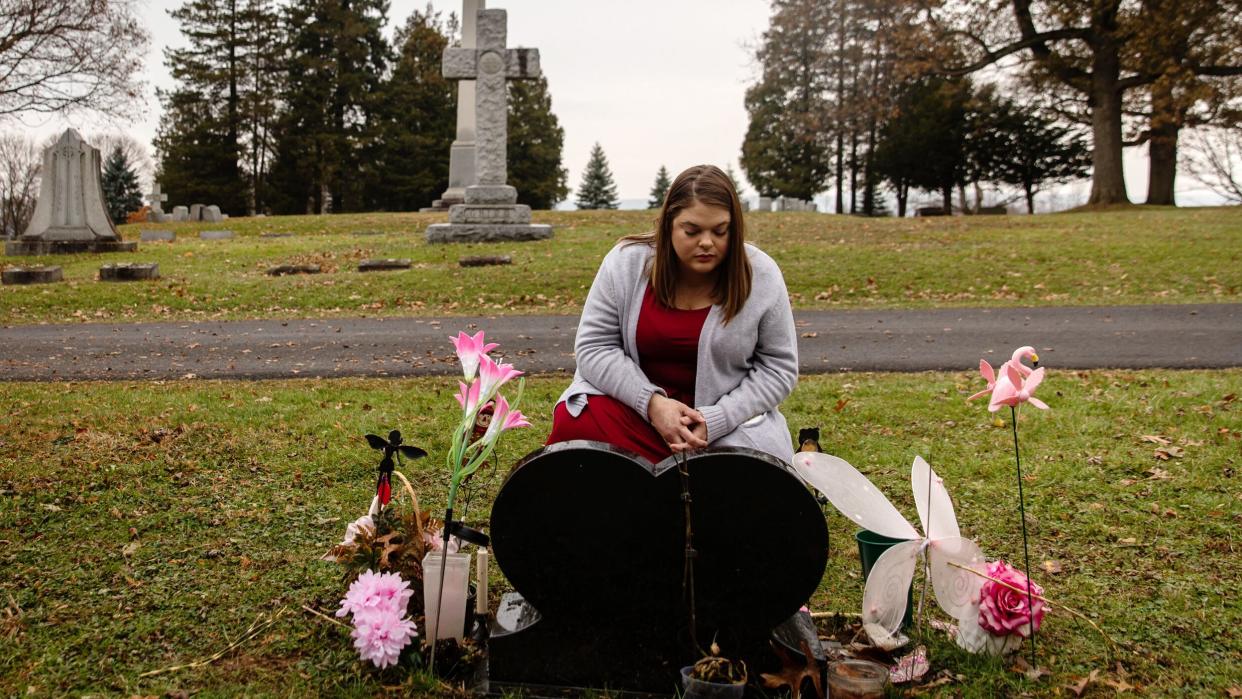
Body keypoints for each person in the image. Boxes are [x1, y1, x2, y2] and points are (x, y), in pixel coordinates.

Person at [546, 164, 798, 463]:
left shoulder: (761, 274)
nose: (707, 242)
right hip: (636, 411)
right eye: (692, 231)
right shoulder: (626, 262)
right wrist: (653, 404)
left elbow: (778, 368)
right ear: (668, 225)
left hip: (721, 428)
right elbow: (594, 347)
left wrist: (716, 419)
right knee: (577, 425)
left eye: (720, 231)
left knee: (745, 469)